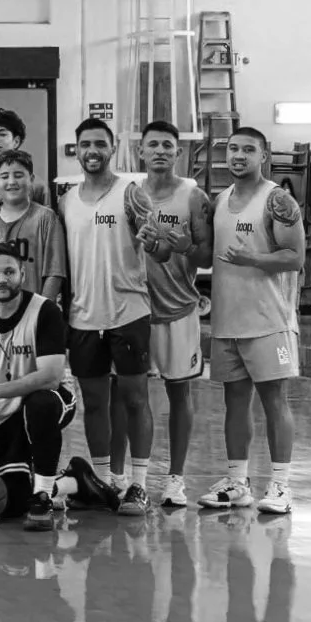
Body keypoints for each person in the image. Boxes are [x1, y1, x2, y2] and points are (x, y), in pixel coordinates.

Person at [0, 244, 120, 531]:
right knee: (10, 504)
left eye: (9, 272)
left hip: (53, 399)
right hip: (0, 414)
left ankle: (42, 496)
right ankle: (75, 482)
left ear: (23, 273)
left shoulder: (45, 310)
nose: (2, 279)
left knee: (39, 404)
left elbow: (51, 377)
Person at [199, 127, 305, 514]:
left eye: (248, 149)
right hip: (227, 321)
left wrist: (254, 260)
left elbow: (295, 257)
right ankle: (237, 482)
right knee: (234, 403)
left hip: (267, 321)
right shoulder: (220, 200)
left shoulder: (277, 200)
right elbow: (207, 255)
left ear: (264, 156)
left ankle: (280, 486)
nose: (238, 155)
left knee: (275, 401)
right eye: (232, 149)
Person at [62, 117, 155, 515]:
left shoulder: (130, 194)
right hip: (84, 316)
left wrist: (158, 241)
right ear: (77, 149)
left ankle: (139, 483)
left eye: (100, 143)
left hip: (128, 312)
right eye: (85, 144)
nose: (92, 150)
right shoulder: (66, 200)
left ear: (113, 147)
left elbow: (160, 249)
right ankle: (103, 481)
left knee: (135, 399)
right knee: (95, 404)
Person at [135, 121, 213, 508]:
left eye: (168, 144)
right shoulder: (131, 195)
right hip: (134, 310)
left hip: (179, 308)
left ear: (178, 152)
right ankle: (129, 478)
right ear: (141, 152)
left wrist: (184, 247)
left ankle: (176, 479)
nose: (161, 150)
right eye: (154, 145)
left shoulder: (193, 196)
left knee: (179, 394)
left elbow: (206, 254)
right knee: (132, 397)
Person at [0, 150, 67, 302]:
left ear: (31, 179)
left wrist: (43, 312)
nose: (11, 182)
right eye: (4, 177)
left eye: (18, 175)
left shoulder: (46, 219)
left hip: (32, 311)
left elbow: (55, 273)